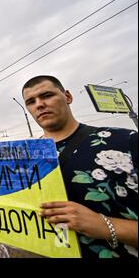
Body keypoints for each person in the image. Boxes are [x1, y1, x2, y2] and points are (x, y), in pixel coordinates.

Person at [20, 75, 137, 258]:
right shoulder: (24, 161)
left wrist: (104, 225)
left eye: (47, 95)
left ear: (68, 97)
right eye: (31, 101)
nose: (39, 104)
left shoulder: (125, 141)